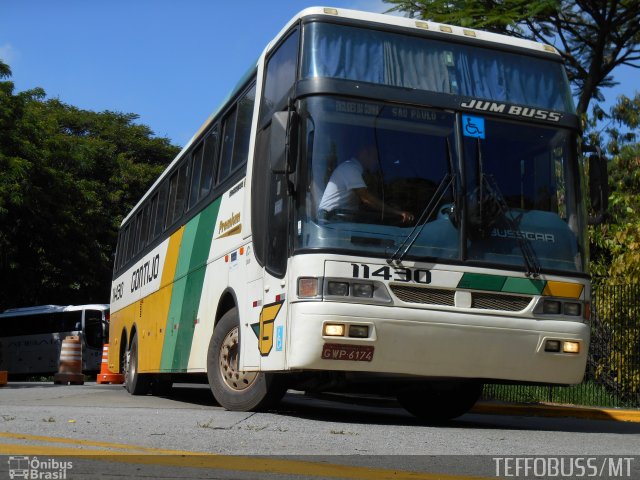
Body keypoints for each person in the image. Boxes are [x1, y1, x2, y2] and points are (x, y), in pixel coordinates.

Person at [318, 144, 414, 224]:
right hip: (332, 220)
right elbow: (366, 198)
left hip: (340, 219)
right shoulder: (350, 168)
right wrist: (396, 212)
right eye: (374, 157)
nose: (376, 161)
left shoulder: (358, 171)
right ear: (363, 153)